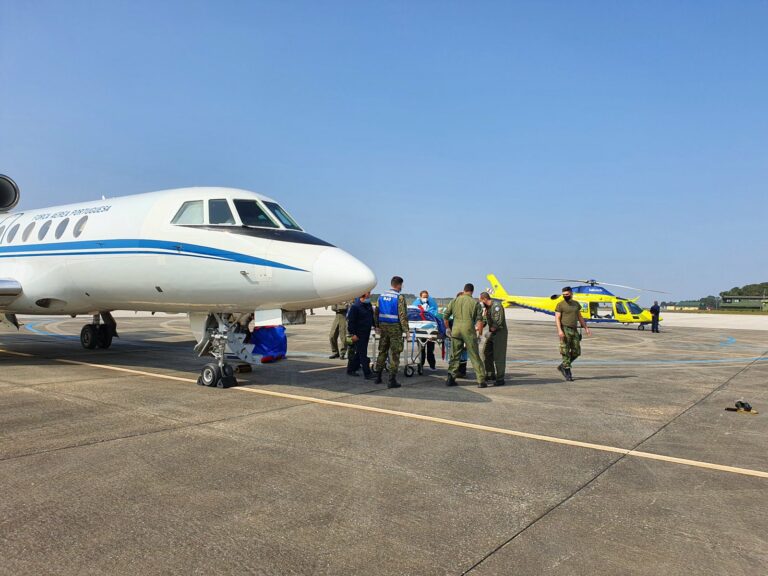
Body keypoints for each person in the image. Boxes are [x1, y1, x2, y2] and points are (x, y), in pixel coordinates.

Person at [444, 284, 486, 387]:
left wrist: (448, 328)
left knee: (454, 355)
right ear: (472, 291)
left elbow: (445, 316)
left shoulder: (454, 300)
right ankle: (481, 381)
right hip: (468, 330)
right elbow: (480, 321)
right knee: (474, 355)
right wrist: (479, 335)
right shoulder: (475, 303)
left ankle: (450, 378)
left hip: (456, 330)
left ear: (464, 290)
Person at [374, 276, 409, 388]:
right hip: (395, 327)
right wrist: (406, 330)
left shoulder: (381, 296)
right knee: (395, 353)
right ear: (399, 285)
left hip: (383, 327)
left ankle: (378, 377)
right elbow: (402, 315)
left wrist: (376, 325)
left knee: (382, 351)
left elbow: (376, 312)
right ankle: (391, 380)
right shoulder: (399, 297)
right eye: (401, 285)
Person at [555, 286, 591, 381]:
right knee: (565, 351)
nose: (565, 296)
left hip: (574, 330)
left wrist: (586, 328)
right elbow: (557, 318)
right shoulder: (560, 305)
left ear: (571, 293)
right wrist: (560, 330)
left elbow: (580, 317)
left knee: (576, 352)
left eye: (566, 294)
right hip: (565, 329)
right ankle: (567, 372)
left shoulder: (576, 304)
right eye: (563, 295)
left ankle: (563, 366)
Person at [480, 291, 507, 386]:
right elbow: (484, 320)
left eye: (481, 301)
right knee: (486, 352)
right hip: (492, 333)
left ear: (484, 299)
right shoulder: (487, 308)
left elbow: (498, 322)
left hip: (499, 333)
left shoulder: (496, 306)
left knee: (499, 356)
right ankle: (490, 374)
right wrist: (479, 325)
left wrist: (490, 332)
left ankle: (500, 378)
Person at [346, 292, 376, 379]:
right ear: (363, 295)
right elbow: (351, 322)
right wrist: (353, 334)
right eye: (368, 293)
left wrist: (375, 326)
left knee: (359, 353)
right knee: (363, 354)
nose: (370, 295)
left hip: (366, 332)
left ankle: (351, 369)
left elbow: (371, 317)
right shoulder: (355, 307)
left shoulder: (368, 305)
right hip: (358, 334)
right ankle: (367, 373)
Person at [412, 290, 438, 371]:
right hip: (420, 330)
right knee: (421, 350)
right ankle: (420, 366)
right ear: (420, 297)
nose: (425, 298)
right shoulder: (416, 304)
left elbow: (435, 313)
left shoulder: (432, 304)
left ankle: (432, 366)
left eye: (426, 297)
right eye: (424, 297)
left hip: (430, 330)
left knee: (430, 350)